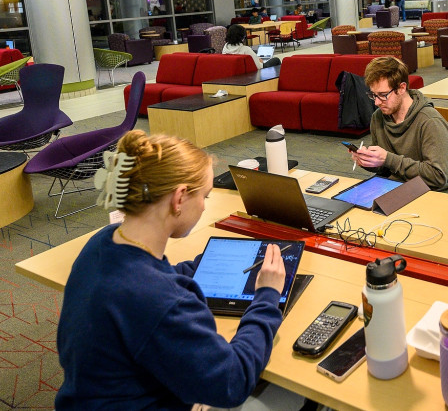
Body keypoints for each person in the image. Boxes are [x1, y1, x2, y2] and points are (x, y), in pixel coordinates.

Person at [56, 130, 304, 410]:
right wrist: (267, 297)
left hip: (90, 398)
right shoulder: (163, 302)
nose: (203, 207)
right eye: (205, 197)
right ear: (179, 198)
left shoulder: (104, 242)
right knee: (300, 398)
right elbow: (232, 382)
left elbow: (149, 277)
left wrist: (205, 263)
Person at [352, 57, 448, 193]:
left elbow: (437, 177)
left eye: (383, 95)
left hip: (436, 193)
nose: (377, 103)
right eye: (373, 95)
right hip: (398, 187)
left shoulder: (430, 121)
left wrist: (388, 158)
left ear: (402, 88)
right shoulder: (378, 118)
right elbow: (385, 168)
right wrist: (369, 161)